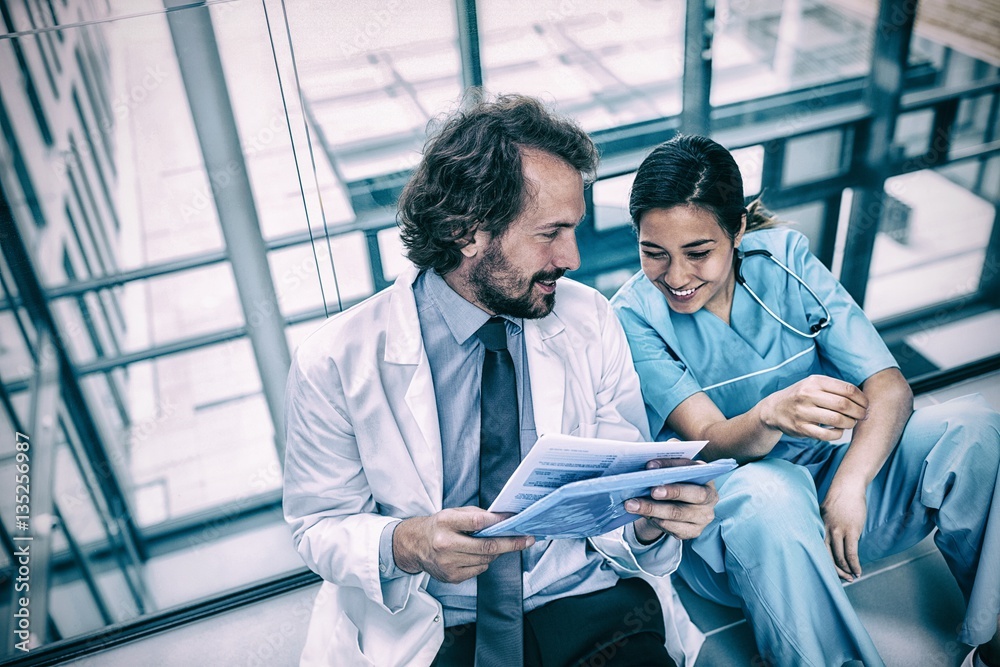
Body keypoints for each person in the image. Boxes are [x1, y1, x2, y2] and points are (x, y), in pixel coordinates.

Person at [282, 95, 718, 667]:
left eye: (574, 230)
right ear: (468, 231)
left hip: (586, 599)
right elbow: (318, 525)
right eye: (551, 233)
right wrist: (407, 543)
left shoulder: (588, 319)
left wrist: (654, 522)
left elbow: (619, 494)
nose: (573, 257)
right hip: (443, 625)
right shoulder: (335, 361)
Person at [610, 134, 1000, 667]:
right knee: (773, 490)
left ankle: (992, 639)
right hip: (737, 525)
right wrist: (771, 412)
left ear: (738, 230)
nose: (675, 277)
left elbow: (887, 384)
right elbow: (712, 444)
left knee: (976, 429)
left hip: (835, 512)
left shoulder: (787, 260)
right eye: (653, 253)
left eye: (698, 253)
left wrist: (850, 486)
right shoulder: (632, 315)